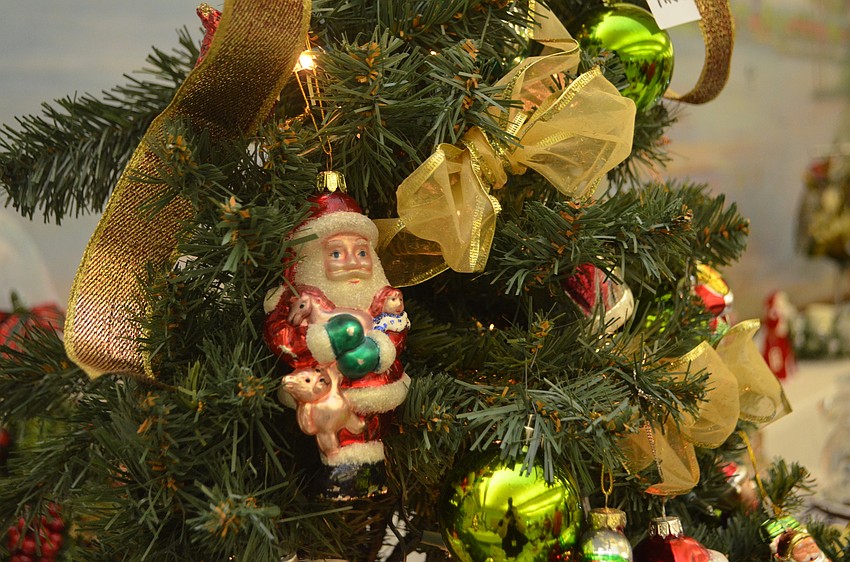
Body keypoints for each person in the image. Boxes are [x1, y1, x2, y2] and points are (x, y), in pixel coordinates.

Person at [264, 185, 410, 498]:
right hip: (324, 389)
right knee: (336, 435)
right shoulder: (297, 299)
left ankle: (365, 474)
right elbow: (281, 336)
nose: (353, 262)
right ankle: (341, 474)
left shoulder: (383, 297)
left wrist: (383, 348)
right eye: (335, 253)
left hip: (374, 384)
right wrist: (320, 341)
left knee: (369, 430)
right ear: (311, 259)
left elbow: (397, 330)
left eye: (361, 252)